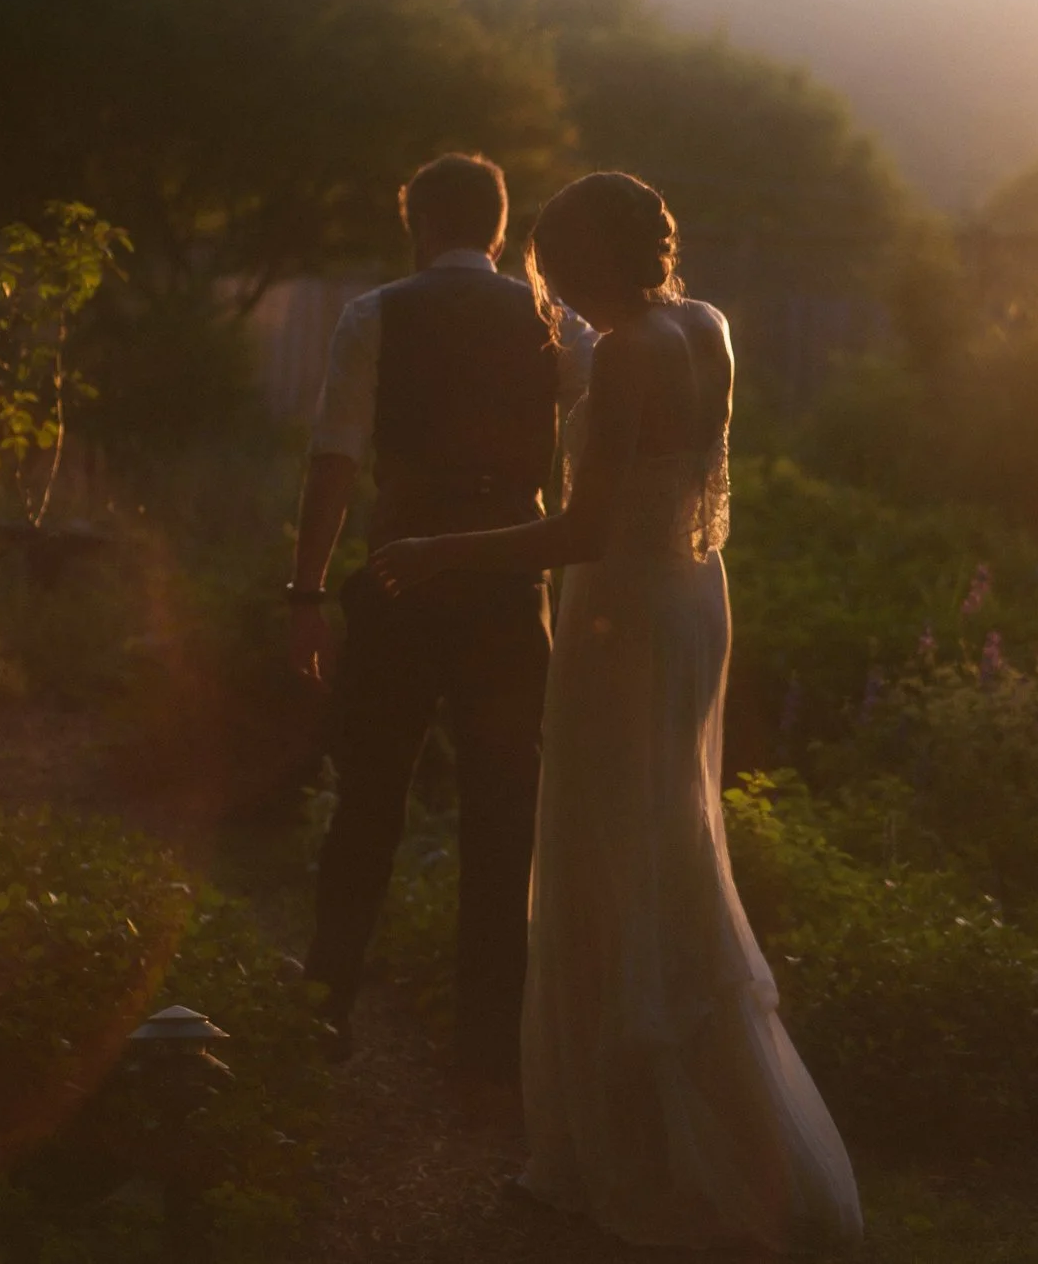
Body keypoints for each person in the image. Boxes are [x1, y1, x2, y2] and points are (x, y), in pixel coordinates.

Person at [369, 172, 863, 1252]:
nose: (554, 291)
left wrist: (440, 551)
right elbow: (690, 488)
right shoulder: (709, 323)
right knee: (670, 848)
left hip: (624, 616)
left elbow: (584, 529)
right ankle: (707, 1127)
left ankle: (625, 1149)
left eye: (555, 266)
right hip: (691, 601)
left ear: (585, 257)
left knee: (605, 859)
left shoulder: (635, 348)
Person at [288, 152, 588, 1125]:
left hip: (396, 584)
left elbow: (333, 459)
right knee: (501, 823)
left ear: (417, 223)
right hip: (506, 594)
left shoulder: (374, 313)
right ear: (499, 231)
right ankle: (487, 1061)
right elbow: (595, 465)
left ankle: (319, 1016)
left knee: (367, 802)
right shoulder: (558, 324)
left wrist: (304, 591)